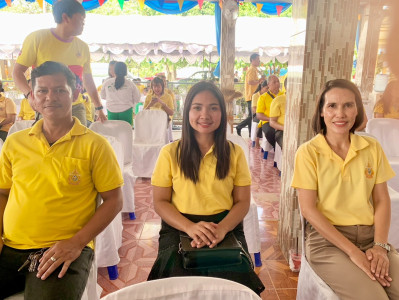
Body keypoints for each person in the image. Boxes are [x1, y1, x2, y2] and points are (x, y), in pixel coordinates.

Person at [0, 61, 124, 299]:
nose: (50, 97)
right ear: (32, 98)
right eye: (42, 91)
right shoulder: (15, 142)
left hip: (64, 250)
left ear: (75, 93)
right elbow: (3, 192)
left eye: (60, 90)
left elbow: (114, 200)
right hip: (11, 247)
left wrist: (77, 242)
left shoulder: (95, 145)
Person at [147, 81, 265, 295]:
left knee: (234, 285)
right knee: (175, 282)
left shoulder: (235, 152)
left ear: (222, 112)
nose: (205, 114)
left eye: (213, 107)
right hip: (179, 225)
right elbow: (160, 202)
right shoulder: (170, 152)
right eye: (197, 107)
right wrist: (189, 227)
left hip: (225, 224)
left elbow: (242, 202)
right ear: (187, 111)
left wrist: (222, 229)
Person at [291, 79, 399, 300]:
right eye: (332, 106)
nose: (340, 113)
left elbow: (381, 200)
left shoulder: (372, 148)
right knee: (375, 297)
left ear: (357, 110)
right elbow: (309, 210)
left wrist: (379, 246)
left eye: (348, 105)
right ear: (321, 112)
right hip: (329, 243)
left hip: (371, 237)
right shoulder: (308, 152)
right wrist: (353, 253)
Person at [12, 0, 107, 124]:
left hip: (76, 108)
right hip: (48, 106)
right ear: (65, 17)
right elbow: (17, 72)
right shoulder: (37, 39)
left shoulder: (82, 47)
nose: (84, 24)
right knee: (49, 142)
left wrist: (99, 108)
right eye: (81, 20)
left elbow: (88, 80)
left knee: (79, 142)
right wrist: (29, 95)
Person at [100, 62, 140, 126]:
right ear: (125, 72)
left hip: (111, 111)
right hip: (126, 112)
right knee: (126, 133)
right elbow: (137, 98)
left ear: (115, 71)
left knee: (113, 133)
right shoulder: (130, 84)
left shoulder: (107, 83)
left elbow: (103, 96)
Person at [236, 53, 263, 137]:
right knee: (253, 116)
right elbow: (250, 82)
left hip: (254, 95)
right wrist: (259, 81)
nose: (259, 61)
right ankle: (239, 126)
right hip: (252, 96)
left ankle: (251, 134)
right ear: (253, 60)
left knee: (252, 116)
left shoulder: (255, 69)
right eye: (258, 59)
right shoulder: (251, 70)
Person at [256, 75, 284, 149]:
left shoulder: (284, 95)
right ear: (268, 85)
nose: (277, 84)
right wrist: (271, 119)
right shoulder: (263, 97)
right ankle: (277, 148)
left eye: (278, 81)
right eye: (274, 82)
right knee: (269, 132)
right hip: (267, 121)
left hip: (282, 121)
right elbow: (259, 115)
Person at [269, 77, 287, 149]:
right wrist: (285, 128)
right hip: (281, 131)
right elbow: (272, 122)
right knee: (288, 146)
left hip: (297, 131)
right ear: (286, 87)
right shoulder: (278, 100)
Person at [251, 80, 268, 148]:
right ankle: (257, 140)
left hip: (266, 115)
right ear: (262, 87)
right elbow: (254, 109)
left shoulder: (268, 96)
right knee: (260, 120)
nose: (268, 90)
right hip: (257, 115)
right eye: (266, 88)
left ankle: (266, 143)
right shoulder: (255, 96)